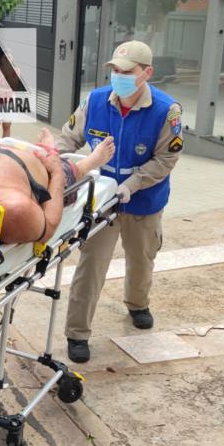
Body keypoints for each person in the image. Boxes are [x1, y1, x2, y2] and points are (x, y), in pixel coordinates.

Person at [52, 40, 184, 364]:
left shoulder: (166, 111)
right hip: (102, 202)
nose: (119, 76)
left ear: (146, 73)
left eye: (127, 71)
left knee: (141, 260)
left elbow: (167, 157)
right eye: (115, 71)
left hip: (145, 201)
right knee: (90, 265)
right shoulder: (95, 102)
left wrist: (133, 184)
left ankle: (137, 304)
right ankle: (77, 333)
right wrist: (52, 162)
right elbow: (67, 140)